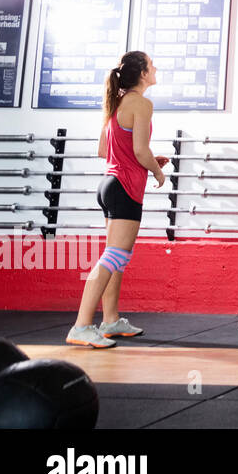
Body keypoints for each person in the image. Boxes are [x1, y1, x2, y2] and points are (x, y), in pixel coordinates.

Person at [66, 51, 168, 348]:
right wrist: (157, 171)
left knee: (117, 258)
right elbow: (139, 150)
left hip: (111, 184)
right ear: (143, 74)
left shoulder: (117, 103)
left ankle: (110, 320)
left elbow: (106, 150)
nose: (156, 68)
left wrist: (146, 161)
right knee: (114, 257)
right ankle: (82, 325)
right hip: (124, 188)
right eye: (152, 65)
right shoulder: (142, 103)